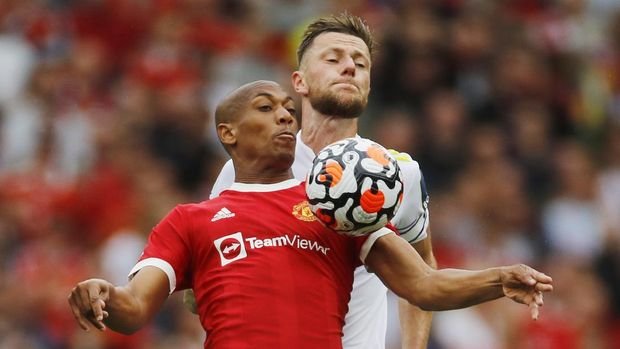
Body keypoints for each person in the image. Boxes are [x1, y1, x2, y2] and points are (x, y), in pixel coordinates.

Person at [68, 80, 553, 349]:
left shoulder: (336, 207)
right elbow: (133, 310)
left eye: (288, 108)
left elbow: (423, 285)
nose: (285, 116)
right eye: (265, 107)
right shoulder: (190, 220)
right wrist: (102, 293)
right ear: (228, 133)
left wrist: (497, 279)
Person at [201, 12, 436, 349]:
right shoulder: (248, 169)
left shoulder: (399, 175)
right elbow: (206, 271)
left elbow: (424, 269)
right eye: (333, 59)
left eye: (361, 63)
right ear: (300, 82)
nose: (350, 68)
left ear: (368, 86)